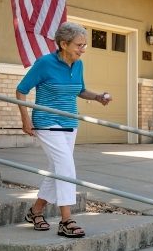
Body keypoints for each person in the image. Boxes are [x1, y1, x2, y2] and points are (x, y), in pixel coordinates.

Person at [16, 22, 111, 237]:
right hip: (46, 121)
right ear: (63, 44)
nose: (83, 49)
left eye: (85, 45)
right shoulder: (44, 63)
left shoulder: (78, 65)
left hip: (69, 123)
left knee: (58, 168)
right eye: (79, 45)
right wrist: (24, 119)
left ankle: (36, 211)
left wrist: (97, 97)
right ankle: (66, 220)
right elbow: (21, 91)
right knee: (66, 166)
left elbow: (80, 90)